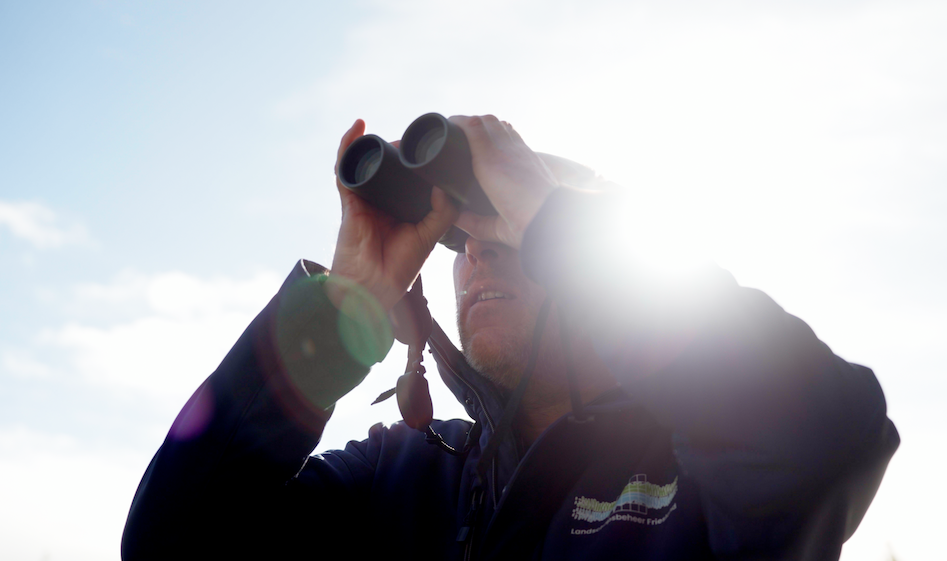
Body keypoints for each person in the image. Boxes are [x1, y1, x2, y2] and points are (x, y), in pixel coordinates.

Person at [121, 115, 899, 560]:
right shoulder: (402, 473)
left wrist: (557, 220)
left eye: (510, 227)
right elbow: (174, 545)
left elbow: (824, 438)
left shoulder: (695, 478)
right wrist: (337, 311)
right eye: (458, 240)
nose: (480, 252)